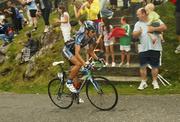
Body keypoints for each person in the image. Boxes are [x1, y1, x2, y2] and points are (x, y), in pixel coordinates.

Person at [62, 20, 103, 93]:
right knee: (79, 64)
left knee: (76, 76)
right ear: (87, 31)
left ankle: (75, 95)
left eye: (95, 32)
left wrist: (98, 59)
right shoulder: (80, 36)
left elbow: (90, 51)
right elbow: (77, 53)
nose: (94, 34)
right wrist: (85, 64)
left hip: (73, 52)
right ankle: (68, 82)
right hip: (67, 50)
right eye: (92, 32)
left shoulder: (92, 38)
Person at [132, 8, 167, 90]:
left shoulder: (155, 20)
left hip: (156, 48)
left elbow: (164, 27)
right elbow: (134, 35)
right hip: (143, 48)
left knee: (155, 66)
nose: (137, 16)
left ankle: (154, 81)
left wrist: (154, 29)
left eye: (138, 14)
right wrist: (138, 32)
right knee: (143, 67)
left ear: (143, 13)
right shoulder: (138, 23)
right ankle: (143, 82)